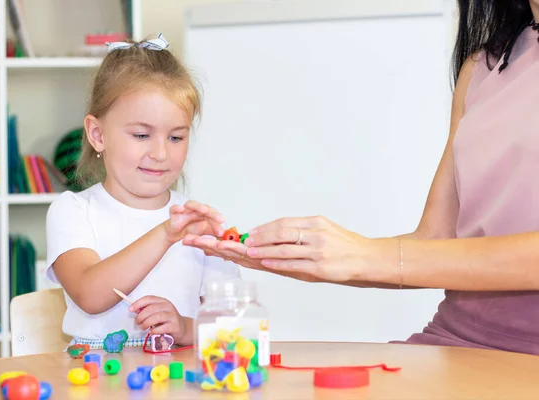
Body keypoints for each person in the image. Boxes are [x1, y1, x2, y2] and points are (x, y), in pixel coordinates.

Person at [183, 1, 539, 355]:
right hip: (454, 339)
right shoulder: (481, 67)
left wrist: (365, 255)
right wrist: (306, 258)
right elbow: (435, 240)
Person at [45, 34, 240, 350]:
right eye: (141, 135)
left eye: (176, 138)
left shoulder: (198, 225)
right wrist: (165, 234)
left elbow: (231, 324)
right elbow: (89, 294)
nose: (161, 153)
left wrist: (186, 328)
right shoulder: (73, 211)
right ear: (97, 134)